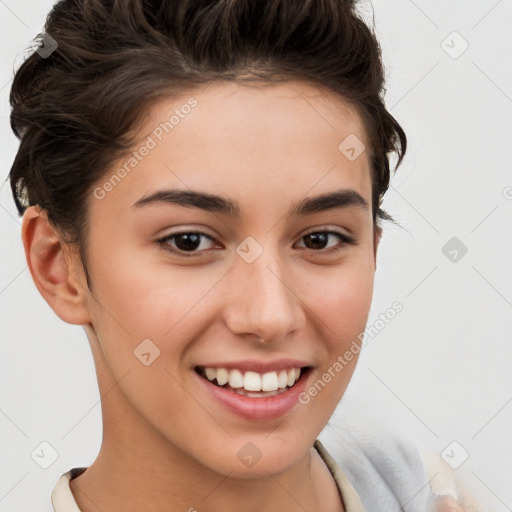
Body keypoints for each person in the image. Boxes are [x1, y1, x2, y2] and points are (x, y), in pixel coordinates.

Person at [8, 0, 480, 510]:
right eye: (189, 241)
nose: (270, 316)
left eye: (320, 239)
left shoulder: (431, 494)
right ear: (59, 267)